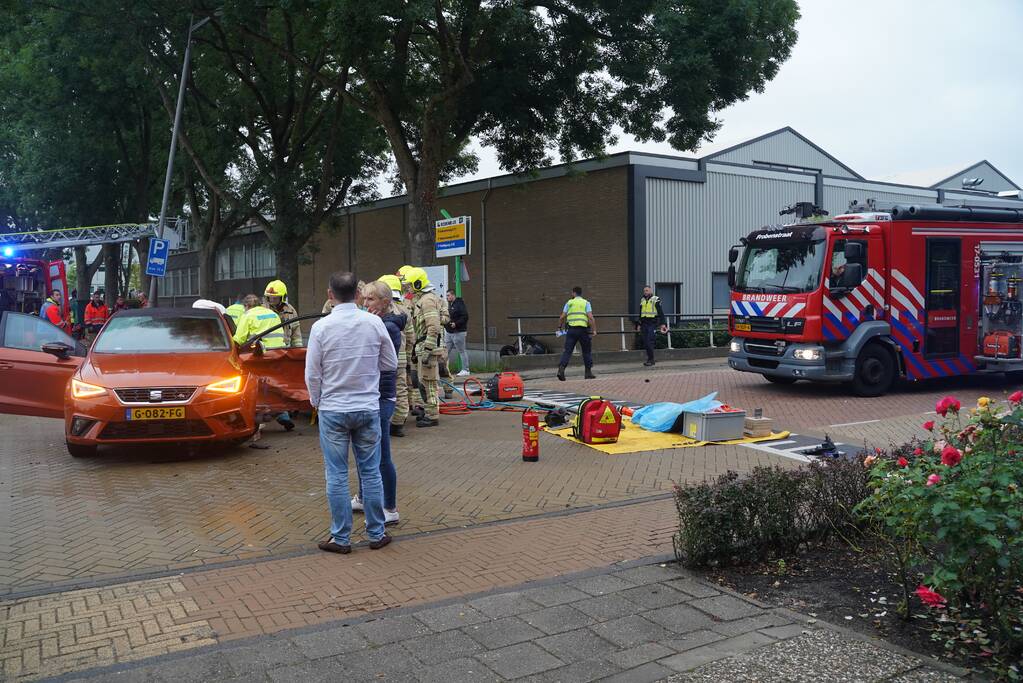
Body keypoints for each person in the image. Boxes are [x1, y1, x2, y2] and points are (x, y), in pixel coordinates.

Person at [306, 271, 398, 554]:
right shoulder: (374, 323)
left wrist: (316, 401)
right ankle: (376, 533)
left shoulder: (320, 328)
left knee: (336, 474)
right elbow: (390, 363)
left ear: (330, 295)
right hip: (367, 407)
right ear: (358, 295)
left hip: (333, 409)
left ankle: (341, 537)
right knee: (370, 472)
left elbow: (312, 373)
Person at [351, 280, 406, 525]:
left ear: (385, 302)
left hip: (381, 396)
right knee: (364, 451)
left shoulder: (388, 327)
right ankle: (364, 497)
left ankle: (390, 508)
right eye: (364, 298)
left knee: (382, 455)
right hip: (371, 394)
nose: (365, 303)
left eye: (371, 299)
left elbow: (382, 363)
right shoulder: (376, 322)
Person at [233, 294, 292, 430]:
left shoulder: (247, 315)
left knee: (259, 386)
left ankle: (258, 417)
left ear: (246, 306)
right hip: (279, 353)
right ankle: (283, 414)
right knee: (276, 383)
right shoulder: (272, 314)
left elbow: (239, 339)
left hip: (262, 355)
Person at [406, 268, 445, 427]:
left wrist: (428, 350)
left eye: (410, 285)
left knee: (429, 383)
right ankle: (428, 412)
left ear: (417, 284)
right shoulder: (422, 299)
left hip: (427, 348)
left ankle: (432, 416)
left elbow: (433, 327)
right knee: (424, 382)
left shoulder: (427, 301)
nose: (408, 288)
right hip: (422, 347)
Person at [381, 275, 414, 437]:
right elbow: (411, 338)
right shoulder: (405, 310)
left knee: (385, 391)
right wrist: (407, 356)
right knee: (401, 390)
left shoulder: (381, 311)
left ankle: (387, 422)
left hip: (384, 358)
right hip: (400, 357)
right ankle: (398, 423)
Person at [557, 286, 597, 381]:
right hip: (583, 331)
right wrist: (594, 329)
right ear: (581, 293)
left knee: (567, 351)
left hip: (571, 331)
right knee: (586, 351)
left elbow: (562, 317)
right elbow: (590, 317)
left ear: (574, 293)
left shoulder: (569, 303)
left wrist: (559, 327)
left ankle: (561, 369)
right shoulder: (586, 303)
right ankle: (588, 373)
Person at [263, 280, 302, 347]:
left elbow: (296, 333)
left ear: (282, 297)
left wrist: (298, 349)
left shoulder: (291, 311)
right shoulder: (263, 310)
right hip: (268, 349)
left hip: (285, 349)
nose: (271, 300)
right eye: (269, 297)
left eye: (275, 298)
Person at [635, 285, 667, 367]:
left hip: (652, 323)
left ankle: (651, 360)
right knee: (646, 342)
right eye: (644, 291)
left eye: (647, 290)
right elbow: (640, 313)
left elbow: (661, 312)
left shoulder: (656, 299)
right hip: (644, 323)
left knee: (649, 341)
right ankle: (650, 359)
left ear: (650, 291)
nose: (645, 292)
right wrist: (639, 324)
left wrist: (663, 324)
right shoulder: (642, 300)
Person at [444, 289, 471, 376]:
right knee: (445, 351)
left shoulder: (459, 304)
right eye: (446, 296)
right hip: (449, 332)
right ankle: (443, 369)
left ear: (453, 295)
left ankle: (465, 370)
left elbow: (465, 316)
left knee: (461, 351)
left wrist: (456, 324)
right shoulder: (451, 304)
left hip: (458, 332)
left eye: (448, 295)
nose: (447, 297)